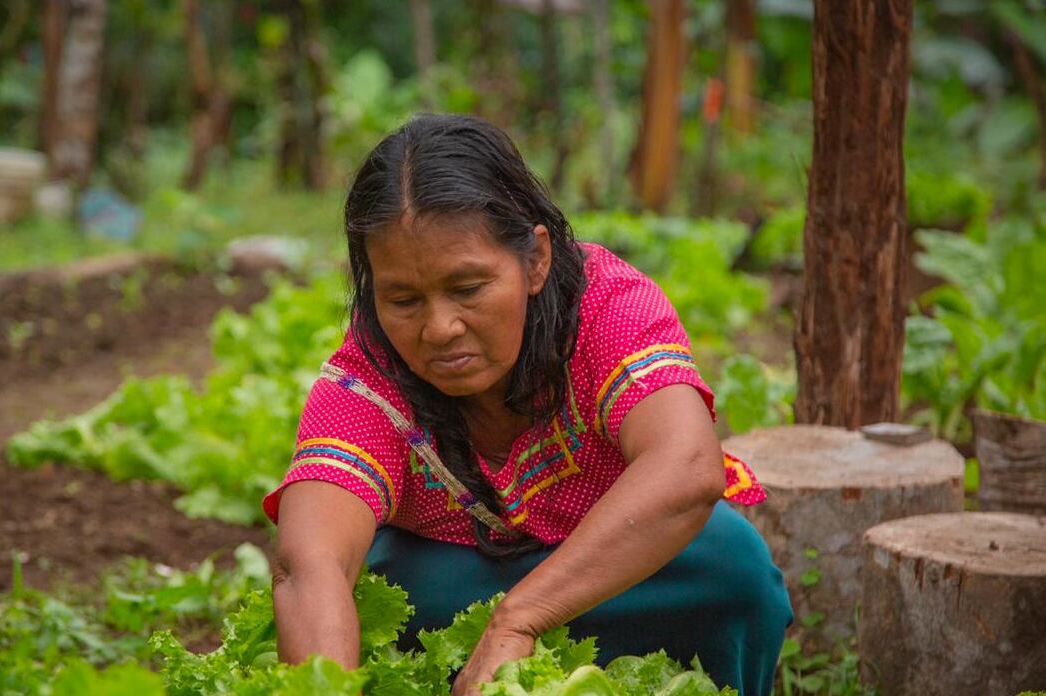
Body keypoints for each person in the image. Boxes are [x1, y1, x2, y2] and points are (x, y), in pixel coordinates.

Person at [263, 114, 792, 695]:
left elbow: (688, 467)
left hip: (623, 570)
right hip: (456, 585)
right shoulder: (365, 376)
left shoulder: (605, 306)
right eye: (403, 299)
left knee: (731, 568)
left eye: (467, 289)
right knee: (380, 596)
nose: (439, 328)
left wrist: (518, 620)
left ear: (535, 259)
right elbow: (309, 563)